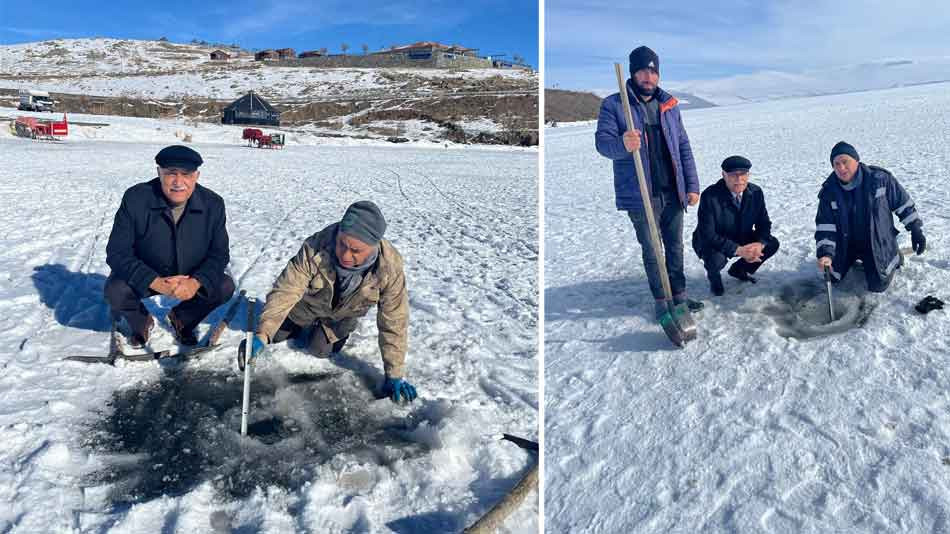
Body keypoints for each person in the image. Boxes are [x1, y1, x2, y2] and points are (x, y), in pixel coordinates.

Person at [242, 201, 417, 403]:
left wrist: (394, 374)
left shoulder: (389, 268)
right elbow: (287, 289)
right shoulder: (316, 246)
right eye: (342, 244)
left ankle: (324, 332)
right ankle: (297, 324)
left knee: (320, 350)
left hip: (341, 318)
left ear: (373, 247)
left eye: (355, 251)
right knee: (276, 334)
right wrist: (263, 334)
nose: (345, 255)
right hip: (307, 307)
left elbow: (394, 320)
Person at [595, 45, 702, 318]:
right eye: (643, 71)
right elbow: (603, 145)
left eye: (653, 72)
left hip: (672, 191)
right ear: (633, 73)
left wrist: (691, 185)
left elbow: (683, 146)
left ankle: (679, 298)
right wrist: (623, 143)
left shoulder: (669, 105)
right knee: (653, 252)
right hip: (641, 194)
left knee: (675, 247)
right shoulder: (615, 105)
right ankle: (662, 302)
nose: (649, 77)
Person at [104, 145, 233, 346]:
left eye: (186, 174)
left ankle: (182, 318)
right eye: (171, 173)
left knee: (224, 286)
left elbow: (219, 254)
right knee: (116, 290)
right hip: (148, 274)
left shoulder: (213, 204)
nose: (179, 182)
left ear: (196, 176)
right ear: (159, 172)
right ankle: (142, 322)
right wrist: (155, 282)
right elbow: (117, 253)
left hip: (189, 277)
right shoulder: (136, 198)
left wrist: (195, 282)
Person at [815, 141, 926, 292]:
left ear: (856, 160)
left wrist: (915, 229)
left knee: (878, 285)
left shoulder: (880, 179)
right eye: (836, 164)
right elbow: (825, 226)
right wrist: (826, 254)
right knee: (833, 276)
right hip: (846, 243)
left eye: (845, 162)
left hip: (877, 241)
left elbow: (903, 203)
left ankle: (894, 254)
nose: (841, 168)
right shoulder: (829, 191)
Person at [692, 156, 780, 295]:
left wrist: (760, 244)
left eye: (743, 174)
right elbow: (707, 234)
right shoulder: (710, 196)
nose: (739, 179)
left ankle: (739, 269)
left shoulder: (755, 192)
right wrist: (738, 250)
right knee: (715, 261)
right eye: (733, 175)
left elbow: (764, 223)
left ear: (748, 175)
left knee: (771, 243)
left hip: (740, 235)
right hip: (712, 242)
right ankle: (714, 278)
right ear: (724, 175)